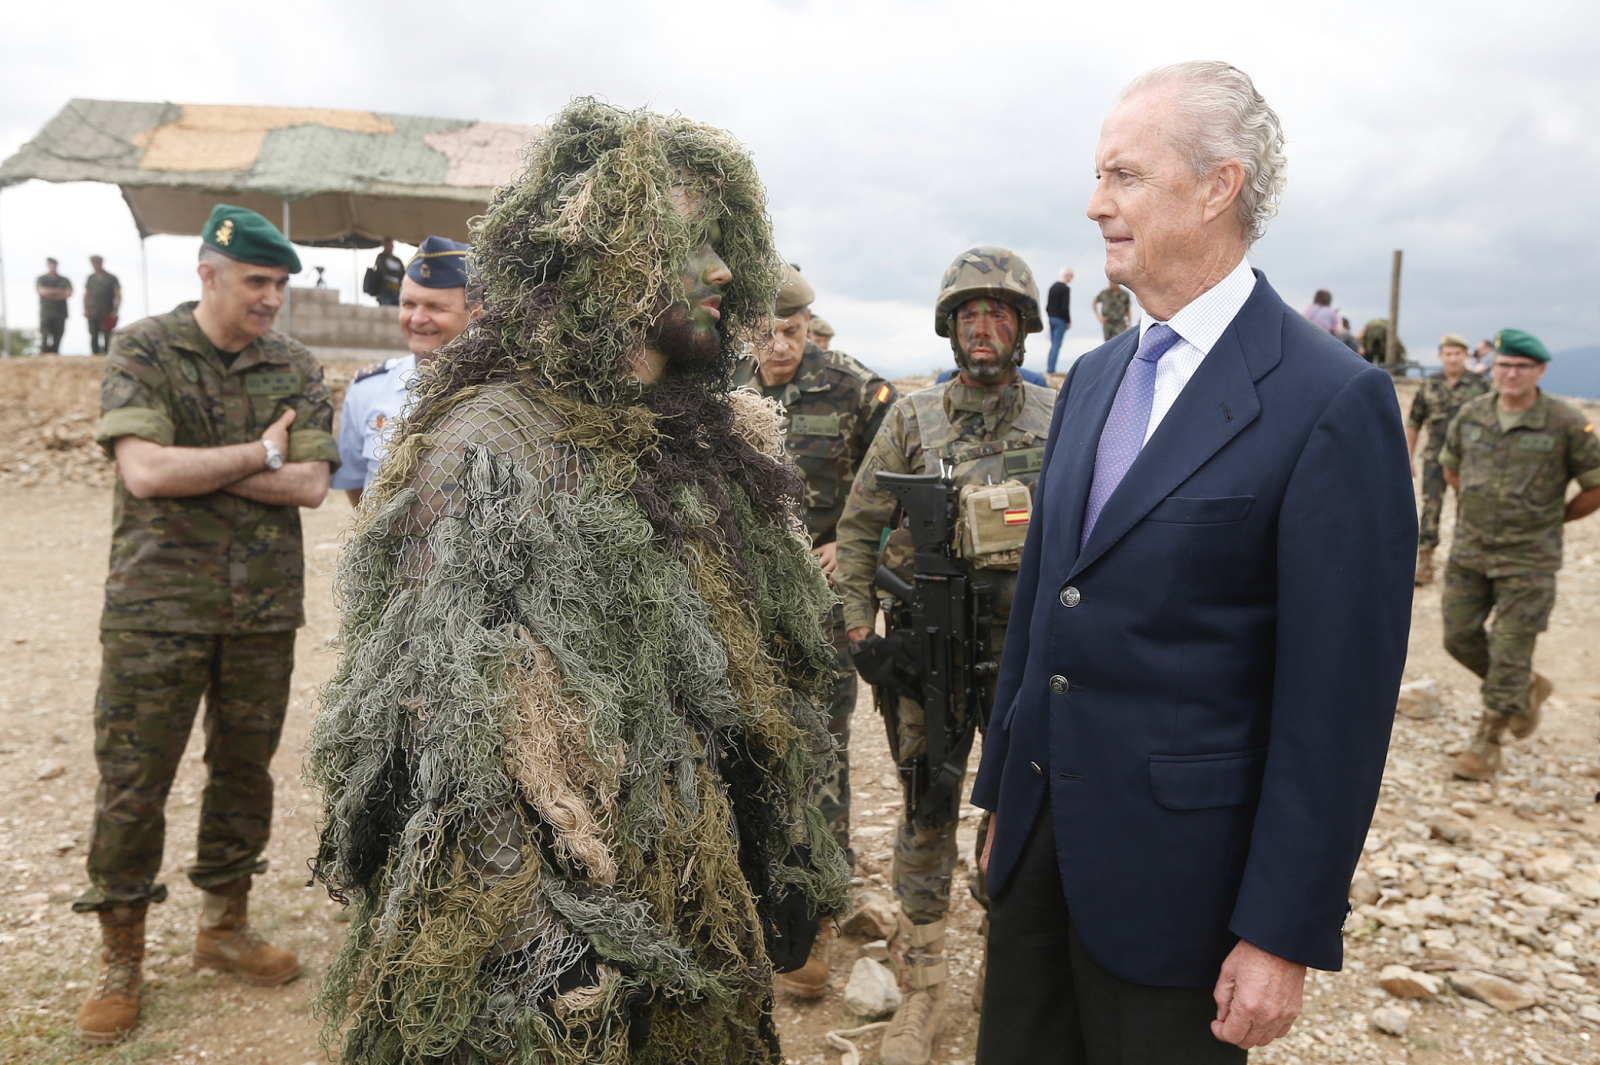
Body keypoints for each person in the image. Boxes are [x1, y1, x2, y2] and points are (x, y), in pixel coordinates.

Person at [305, 100, 850, 1065]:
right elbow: (452, 739)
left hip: (689, 874)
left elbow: (758, 679)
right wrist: (545, 964)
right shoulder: (494, 444)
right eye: (689, 241)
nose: (722, 270)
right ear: (602, 256)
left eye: (726, 242)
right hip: (545, 923)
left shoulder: (699, 437)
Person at [971, 62, 1415, 1065]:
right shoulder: (1089, 379)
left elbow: (1335, 706)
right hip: (1039, 855)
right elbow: (1043, 608)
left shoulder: (1329, 401)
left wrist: (1280, 930)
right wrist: (1001, 798)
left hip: (1183, 893)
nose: (1094, 204)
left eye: (1123, 175)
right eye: (1098, 176)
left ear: (1218, 186)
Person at [74, 204, 337, 1044]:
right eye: (257, 281)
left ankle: (224, 926)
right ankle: (122, 957)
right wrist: (259, 454)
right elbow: (146, 472)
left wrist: (206, 465)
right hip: (156, 609)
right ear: (209, 273)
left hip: (260, 610)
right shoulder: (144, 349)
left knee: (243, 770)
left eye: (280, 284)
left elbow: (310, 487)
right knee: (133, 780)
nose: (271, 298)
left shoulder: (294, 362)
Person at [836, 245, 1056, 1065]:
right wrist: (863, 635)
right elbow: (858, 530)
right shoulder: (912, 417)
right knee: (927, 809)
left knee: (1019, 819)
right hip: (928, 659)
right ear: (950, 328)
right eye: (970, 314)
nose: (984, 328)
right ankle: (923, 983)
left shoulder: (1056, 416)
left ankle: (1008, 977)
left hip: (1025, 662)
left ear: (1024, 328)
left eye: (999, 313)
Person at [732, 264, 897, 997]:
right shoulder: (721, 386)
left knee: (822, 752)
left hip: (822, 606)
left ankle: (818, 917)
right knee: (744, 747)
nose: (778, 347)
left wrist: (858, 546)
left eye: (792, 332)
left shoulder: (857, 389)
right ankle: (744, 903)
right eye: (765, 332)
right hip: (739, 600)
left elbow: (898, 486)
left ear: (811, 326)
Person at [1439, 330, 1600, 781]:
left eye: (1521, 367)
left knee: (1510, 649)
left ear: (1540, 371)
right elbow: (1451, 467)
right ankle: (1526, 687)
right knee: (1458, 637)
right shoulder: (1471, 415)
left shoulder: (1566, 423)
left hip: (1529, 561)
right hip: (1470, 552)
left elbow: (1595, 486)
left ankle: (1486, 745)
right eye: (1504, 365)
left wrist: (1552, 520)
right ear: (1492, 368)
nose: (1510, 374)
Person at [334, 235, 481, 505]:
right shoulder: (367, 389)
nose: (417, 319)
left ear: (475, 314)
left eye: (435, 307)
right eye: (409, 304)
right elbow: (357, 488)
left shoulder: (498, 393)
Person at [1406, 333, 1491, 585]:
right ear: (1440, 356)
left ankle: (1465, 564)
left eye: (1457, 354)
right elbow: (1414, 423)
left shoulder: (1481, 385)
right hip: (1435, 457)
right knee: (1431, 507)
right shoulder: (1430, 384)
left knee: (1469, 508)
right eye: (1448, 354)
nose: (1453, 358)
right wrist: (1407, 457)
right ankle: (1425, 563)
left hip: (1470, 459)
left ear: (1465, 356)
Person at [84, 256, 123, 355]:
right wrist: (85, 309)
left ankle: (107, 355)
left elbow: (118, 295)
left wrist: (115, 311)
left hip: (107, 311)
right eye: (93, 263)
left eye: (97, 262)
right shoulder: (91, 278)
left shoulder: (111, 278)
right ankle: (95, 354)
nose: (95, 265)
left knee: (107, 335)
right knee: (93, 335)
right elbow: (86, 294)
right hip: (93, 311)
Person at [37, 257, 72, 353]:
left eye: (54, 264)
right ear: (47, 265)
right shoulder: (42, 279)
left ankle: (55, 353)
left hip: (60, 312)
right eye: (50, 264)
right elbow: (42, 291)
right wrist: (59, 292)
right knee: (44, 334)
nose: (52, 266)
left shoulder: (64, 280)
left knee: (58, 335)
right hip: (46, 312)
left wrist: (50, 293)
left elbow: (68, 293)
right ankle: (43, 353)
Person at [1046, 266, 1073, 372]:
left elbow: (1047, 306)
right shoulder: (1065, 289)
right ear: (1067, 275)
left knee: (1053, 345)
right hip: (1060, 319)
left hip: (1051, 318)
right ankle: (1051, 369)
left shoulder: (1052, 287)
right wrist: (1068, 320)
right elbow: (1065, 307)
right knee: (1057, 345)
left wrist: (1050, 316)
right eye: (1071, 276)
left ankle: (1050, 368)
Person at [370, 238, 405, 306]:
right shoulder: (381, 257)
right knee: (385, 311)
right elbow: (384, 271)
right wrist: (397, 273)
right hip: (385, 290)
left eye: (390, 245)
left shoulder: (397, 259)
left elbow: (403, 273)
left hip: (396, 289)